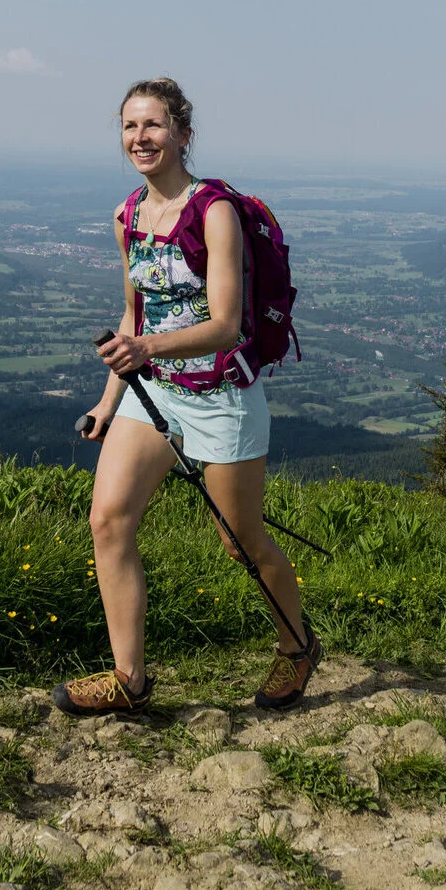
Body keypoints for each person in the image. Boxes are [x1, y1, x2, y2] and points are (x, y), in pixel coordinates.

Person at [52, 77, 320, 718]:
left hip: (222, 396)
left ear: (182, 134)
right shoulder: (130, 217)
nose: (139, 138)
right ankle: (130, 680)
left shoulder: (213, 212)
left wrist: (146, 351)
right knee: (108, 521)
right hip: (157, 397)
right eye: (128, 127)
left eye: (153, 125)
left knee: (242, 540)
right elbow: (133, 316)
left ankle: (298, 645)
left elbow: (226, 324)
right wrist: (108, 399)